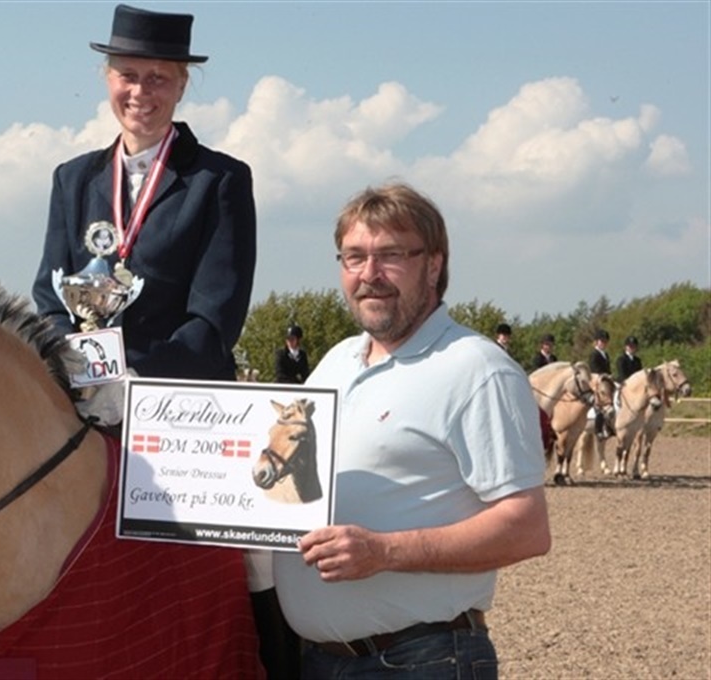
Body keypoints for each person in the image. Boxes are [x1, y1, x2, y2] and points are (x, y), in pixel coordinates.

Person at [30, 5, 269, 676]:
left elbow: (214, 320)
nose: (141, 92)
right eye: (128, 75)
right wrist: (83, 369)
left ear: (183, 84)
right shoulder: (73, 179)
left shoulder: (219, 180)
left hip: (180, 409)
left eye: (158, 78)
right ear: (107, 78)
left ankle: (273, 658)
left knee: (258, 558)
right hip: (82, 401)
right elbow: (49, 297)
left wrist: (132, 375)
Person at [273, 183, 551, 679]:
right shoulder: (336, 362)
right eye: (354, 257)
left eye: (391, 255)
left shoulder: (477, 369)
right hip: (317, 661)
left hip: (419, 661)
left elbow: (527, 529)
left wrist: (383, 552)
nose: (369, 274)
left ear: (434, 265)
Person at [588, 329, 613, 438]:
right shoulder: (594, 354)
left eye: (605, 341)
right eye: (602, 341)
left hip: (605, 379)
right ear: (597, 342)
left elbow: (608, 368)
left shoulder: (605, 354)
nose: (604, 343)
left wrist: (610, 375)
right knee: (599, 402)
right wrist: (605, 375)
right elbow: (594, 368)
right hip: (596, 379)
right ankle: (598, 429)